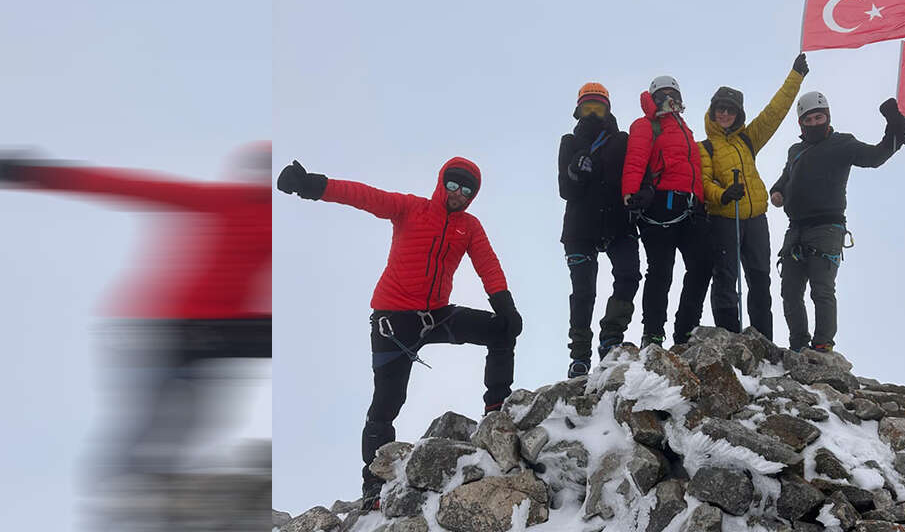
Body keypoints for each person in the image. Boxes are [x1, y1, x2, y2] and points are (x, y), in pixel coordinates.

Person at [0, 145, 272, 526]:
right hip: (182, 330)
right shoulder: (231, 202)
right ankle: (129, 495)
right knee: (162, 425)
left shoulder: (237, 205)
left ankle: (137, 491)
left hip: (200, 331)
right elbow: (130, 186)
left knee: (174, 424)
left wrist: (34, 172)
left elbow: (131, 187)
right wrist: (37, 173)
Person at [276, 157, 523, 511]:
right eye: (453, 185)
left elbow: (488, 264)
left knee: (501, 330)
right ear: (442, 182)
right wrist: (312, 185)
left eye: (467, 191)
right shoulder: (410, 208)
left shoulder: (469, 227)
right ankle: (373, 486)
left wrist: (505, 306)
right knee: (386, 405)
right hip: (393, 322)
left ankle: (497, 411)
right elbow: (363, 196)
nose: (458, 194)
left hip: (435, 316)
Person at [769, 93, 905, 352]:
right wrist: (777, 192)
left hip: (827, 228)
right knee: (790, 291)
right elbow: (785, 178)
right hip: (796, 228)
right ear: (801, 124)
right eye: (809, 120)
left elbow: (875, 157)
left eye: (819, 117)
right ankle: (798, 345)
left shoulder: (842, 144)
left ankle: (822, 344)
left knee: (821, 289)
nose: (814, 123)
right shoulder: (796, 151)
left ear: (828, 117)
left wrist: (895, 128)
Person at [694, 53, 808, 340]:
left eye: (731, 111)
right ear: (712, 111)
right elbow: (703, 183)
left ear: (738, 115)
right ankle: (729, 338)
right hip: (723, 219)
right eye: (720, 109)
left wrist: (795, 76)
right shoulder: (704, 148)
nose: (725, 114)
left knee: (759, 278)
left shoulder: (748, 139)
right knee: (725, 278)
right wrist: (723, 195)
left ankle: (762, 340)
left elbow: (773, 114)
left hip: (756, 218)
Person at [558, 82, 641, 376]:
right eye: (587, 108)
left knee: (629, 275)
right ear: (578, 112)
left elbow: (635, 172)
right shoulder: (570, 142)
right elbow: (565, 190)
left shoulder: (622, 140)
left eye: (598, 108)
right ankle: (579, 355)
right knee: (583, 291)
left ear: (608, 110)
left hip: (618, 222)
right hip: (580, 228)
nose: (593, 114)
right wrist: (574, 171)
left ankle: (611, 336)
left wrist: (642, 194)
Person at [620, 77, 705, 346]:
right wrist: (630, 196)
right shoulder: (646, 125)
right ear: (654, 98)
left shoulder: (683, 127)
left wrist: (701, 200)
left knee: (702, 264)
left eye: (673, 94)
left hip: (689, 206)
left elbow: (692, 168)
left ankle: (686, 330)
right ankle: (653, 332)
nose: (669, 98)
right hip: (659, 204)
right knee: (661, 270)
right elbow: (635, 160)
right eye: (663, 94)